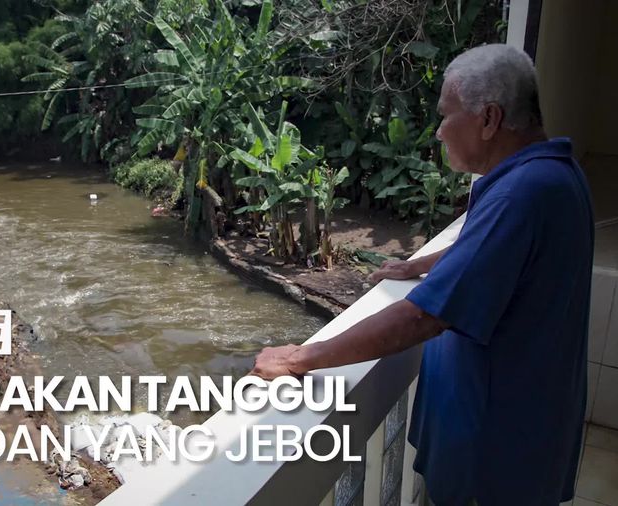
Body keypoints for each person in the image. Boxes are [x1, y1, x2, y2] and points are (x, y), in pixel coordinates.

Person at [251, 44, 594, 505]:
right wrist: (418, 264)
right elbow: (489, 250)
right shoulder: (551, 175)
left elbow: (421, 318)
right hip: (522, 426)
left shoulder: (522, 194)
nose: (437, 132)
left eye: (446, 116)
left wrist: (298, 359)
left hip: (493, 451)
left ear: (489, 119)